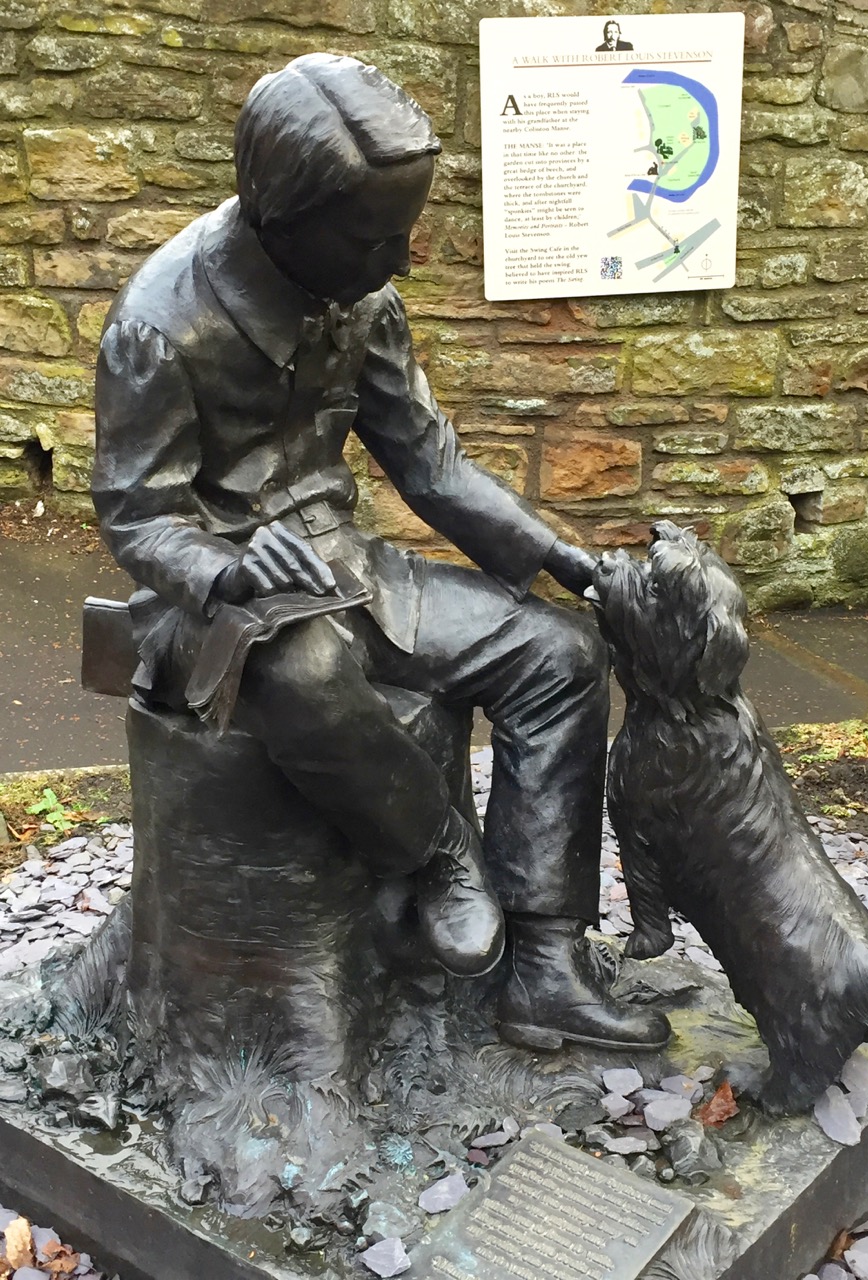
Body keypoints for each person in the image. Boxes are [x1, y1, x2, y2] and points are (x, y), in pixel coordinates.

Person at [93, 53, 668, 1053]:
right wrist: (226, 569)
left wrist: (565, 560)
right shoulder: (158, 325)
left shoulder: (363, 301)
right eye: (374, 238)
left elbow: (430, 466)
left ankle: (545, 966)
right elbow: (138, 516)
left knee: (561, 654)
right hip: (212, 608)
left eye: (403, 231)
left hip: (349, 570)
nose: (399, 260)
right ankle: (436, 850)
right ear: (282, 218)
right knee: (306, 670)